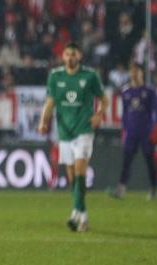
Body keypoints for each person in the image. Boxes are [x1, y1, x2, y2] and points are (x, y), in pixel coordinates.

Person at [38, 42, 109, 232]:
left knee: (80, 171)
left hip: (84, 130)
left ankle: (74, 214)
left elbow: (104, 99)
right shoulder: (55, 76)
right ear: (63, 57)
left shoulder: (90, 76)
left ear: (80, 56)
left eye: (74, 54)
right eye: (67, 54)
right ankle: (83, 216)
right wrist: (43, 122)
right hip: (64, 133)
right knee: (72, 178)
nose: (70, 57)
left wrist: (99, 115)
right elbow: (50, 103)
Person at [109, 64, 157, 199]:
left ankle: (154, 187)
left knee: (149, 160)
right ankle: (121, 189)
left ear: (142, 73)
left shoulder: (149, 91)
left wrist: (155, 129)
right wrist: (124, 130)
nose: (134, 74)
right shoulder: (126, 92)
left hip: (146, 132)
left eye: (136, 71)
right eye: (131, 71)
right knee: (126, 161)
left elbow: (156, 111)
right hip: (131, 132)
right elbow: (125, 114)